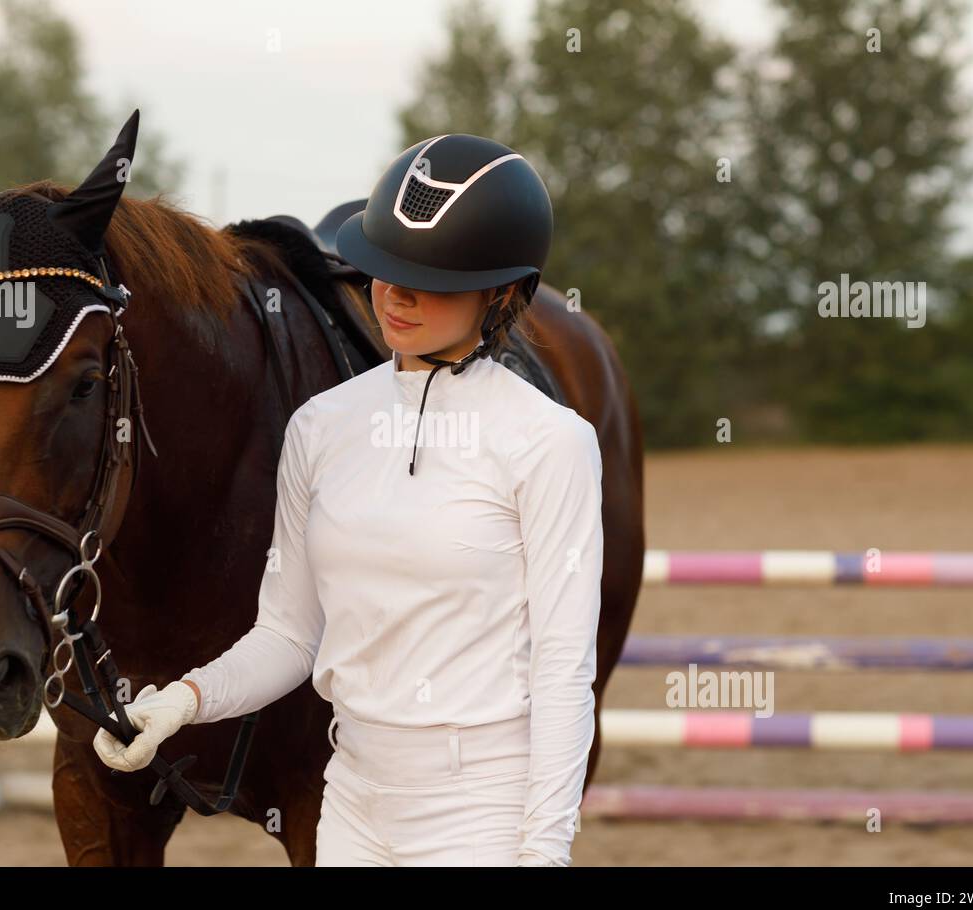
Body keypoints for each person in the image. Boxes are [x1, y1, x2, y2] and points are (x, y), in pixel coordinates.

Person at [93, 133, 604, 866]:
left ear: (502, 293)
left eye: (431, 278)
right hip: (354, 803)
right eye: (385, 268)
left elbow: (563, 671)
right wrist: (183, 701)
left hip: (481, 810)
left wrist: (546, 849)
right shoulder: (320, 427)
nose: (394, 294)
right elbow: (290, 637)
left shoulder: (550, 442)